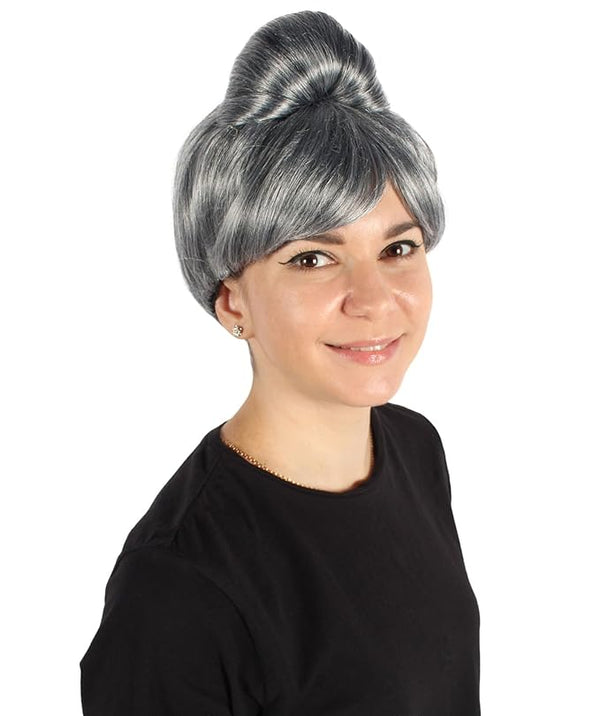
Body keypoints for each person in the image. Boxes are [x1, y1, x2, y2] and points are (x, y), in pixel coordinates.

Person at [80, 10, 480, 715]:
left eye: (398, 248)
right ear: (231, 300)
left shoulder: (415, 449)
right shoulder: (177, 587)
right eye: (312, 258)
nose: (374, 299)